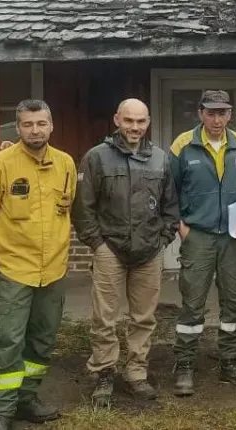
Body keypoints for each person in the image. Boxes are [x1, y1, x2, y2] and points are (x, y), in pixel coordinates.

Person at [0, 100, 77, 430]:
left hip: (54, 270)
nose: (35, 130)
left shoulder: (65, 164)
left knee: (42, 340)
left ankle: (27, 398)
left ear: (52, 125)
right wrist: (6, 251)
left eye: (41, 123)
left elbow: (67, 208)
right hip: (16, 270)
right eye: (28, 124)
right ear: (17, 128)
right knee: (8, 340)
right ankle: (1, 411)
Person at [72, 99, 179, 407]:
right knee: (104, 317)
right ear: (116, 119)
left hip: (149, 251)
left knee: (143, 318)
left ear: (148, 122)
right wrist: (97, 244)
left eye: (141, 121)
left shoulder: (160, 159)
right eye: (129, 120)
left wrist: (163, 238)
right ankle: (104, 372)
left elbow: (171, 206)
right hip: (110, 249)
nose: (135, 127)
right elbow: (83, 208)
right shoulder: (96, 158)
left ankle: (136, 373)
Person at [169, 89, 236, 396]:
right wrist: (182, 228)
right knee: (192, 304)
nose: (216, 119)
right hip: (198, 237)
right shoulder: (183, 146)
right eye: (211, 112)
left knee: (234, 303)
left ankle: (230, 361)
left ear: (230, 114)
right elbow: (169, 193)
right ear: (200, 113)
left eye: (222, 112)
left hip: (233, 239)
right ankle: (184, 364)